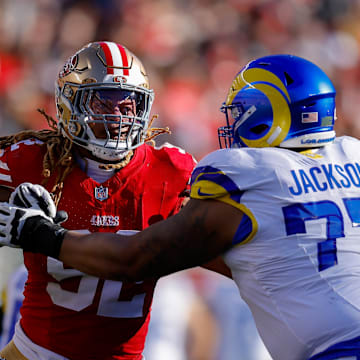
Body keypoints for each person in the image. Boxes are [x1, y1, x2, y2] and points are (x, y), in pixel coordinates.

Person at [1, 54, 359, 360]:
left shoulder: (245, 176)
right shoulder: (353, 154)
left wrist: (43, 236)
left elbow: (134, 259)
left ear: (265, 114)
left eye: (240, 112)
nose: (118, 114)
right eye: (102, 102)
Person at [0, 41, 198, 360]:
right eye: (103, 103)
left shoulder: (171, 173)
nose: (119, 116)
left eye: (128, 105)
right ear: (69, 104)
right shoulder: (31, 162)